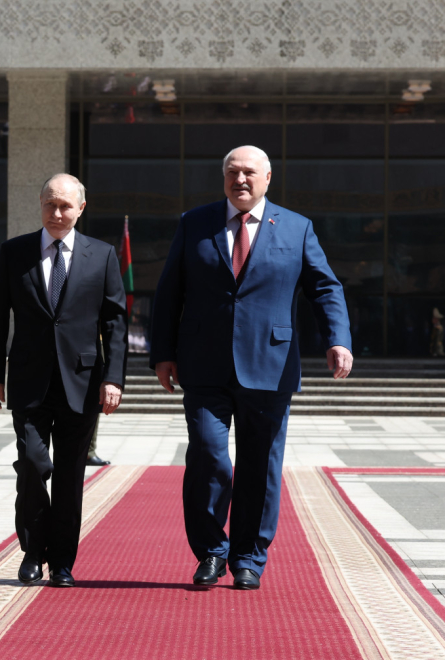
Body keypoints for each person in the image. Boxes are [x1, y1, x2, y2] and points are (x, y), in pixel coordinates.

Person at [150, 145, 352, 590]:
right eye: (232, 172)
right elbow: (169, 293)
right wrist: (162, 352)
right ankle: (210, 551)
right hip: (203, 365)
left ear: (267, 179)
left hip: (270, 365)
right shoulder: (194, 223)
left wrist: (337, 339)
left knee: (261, 466)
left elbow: (325, 287)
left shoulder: (297, 228)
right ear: (223, 177)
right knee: (208, 455)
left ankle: (248, 559)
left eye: (249, 173)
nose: (241, 180)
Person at [0, 173, 128, 588]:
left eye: (66, 206)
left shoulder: (101, 255)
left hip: (82, 381)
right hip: (28, 380)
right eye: (50, 204)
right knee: (31, 463)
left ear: (82, 208)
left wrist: (113, 378)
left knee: (68, 474)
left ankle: (62, 560)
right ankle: (31, 550)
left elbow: (115, 322)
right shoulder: (15, 253)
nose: (57, 213)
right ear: (40, 205)